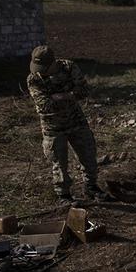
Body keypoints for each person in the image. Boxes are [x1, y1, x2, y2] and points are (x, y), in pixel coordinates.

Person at [26, 45, 109, 205]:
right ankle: (63, 195)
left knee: (88, 154)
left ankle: (91, 187)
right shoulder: (34, 79)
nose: (40, 71)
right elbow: (44, 105)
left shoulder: (68, 67)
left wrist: (59, 96)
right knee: (59, 162)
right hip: (53, 127)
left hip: (76, 121)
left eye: (44, 67)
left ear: (53, 63)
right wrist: (70, 95)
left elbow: (84, 90)